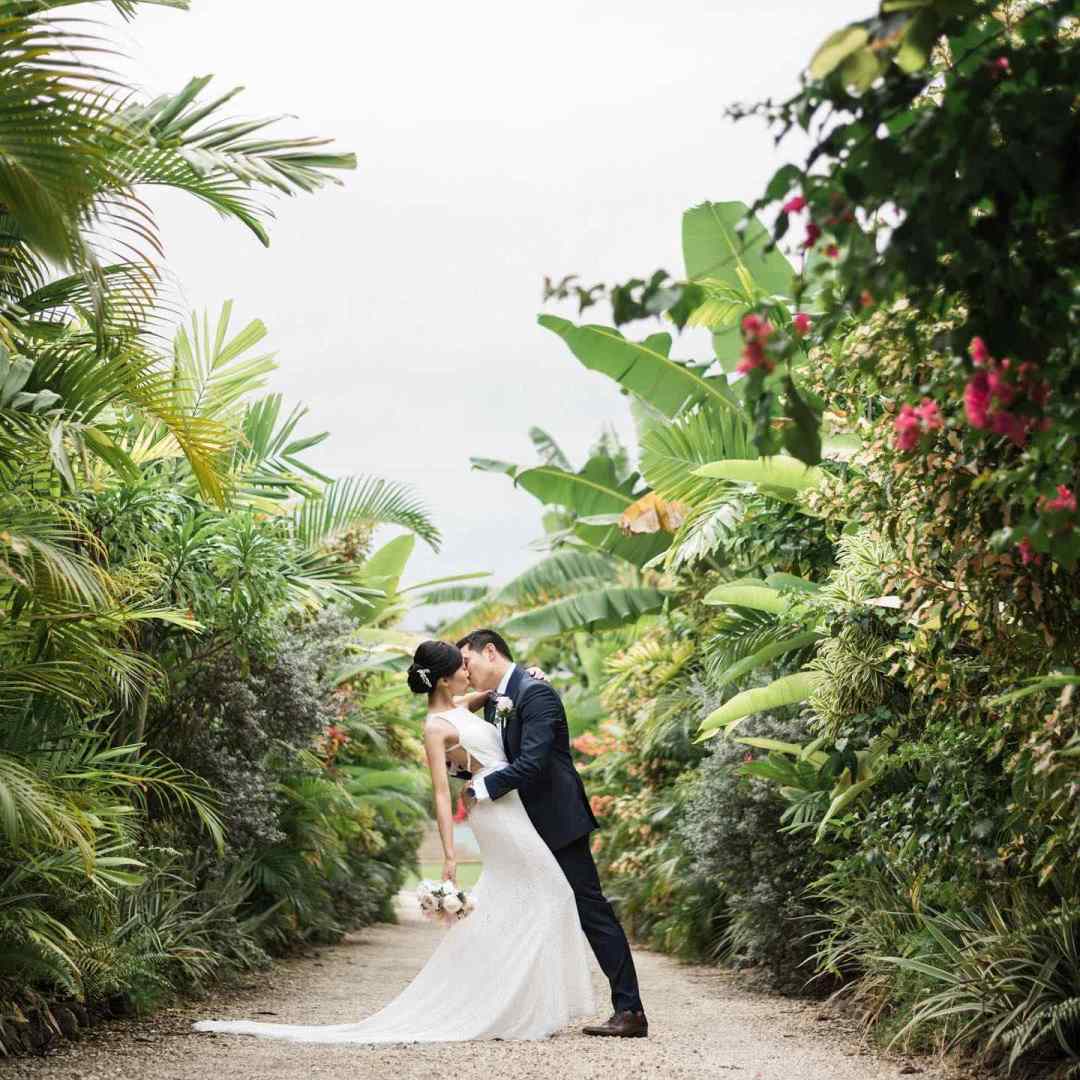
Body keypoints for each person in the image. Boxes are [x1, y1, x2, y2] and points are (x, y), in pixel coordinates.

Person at [192, 639, 595, 1043]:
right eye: (460, 667)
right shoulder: (436, 727)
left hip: (511, 806)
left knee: (529, 895)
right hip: (495, 816)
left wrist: (531, 676)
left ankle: (518, 1000)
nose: (467, 671)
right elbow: (440, 792)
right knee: (553, 890)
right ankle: (514, 1005)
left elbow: (503, 691)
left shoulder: (462, 705)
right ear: (442, 679)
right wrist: (450, 856)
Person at [457, 628, 647, 1039]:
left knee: (591, 911)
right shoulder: (500, 700)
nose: (465, 671)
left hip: (557, 820)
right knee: (525, 909)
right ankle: (518, 1007)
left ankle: (630, 1011)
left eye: (467, 661)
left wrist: (481, 789)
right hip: (523, 824)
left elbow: (533, 763)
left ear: (490, 652)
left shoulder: (535, 693)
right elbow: (493, 750)